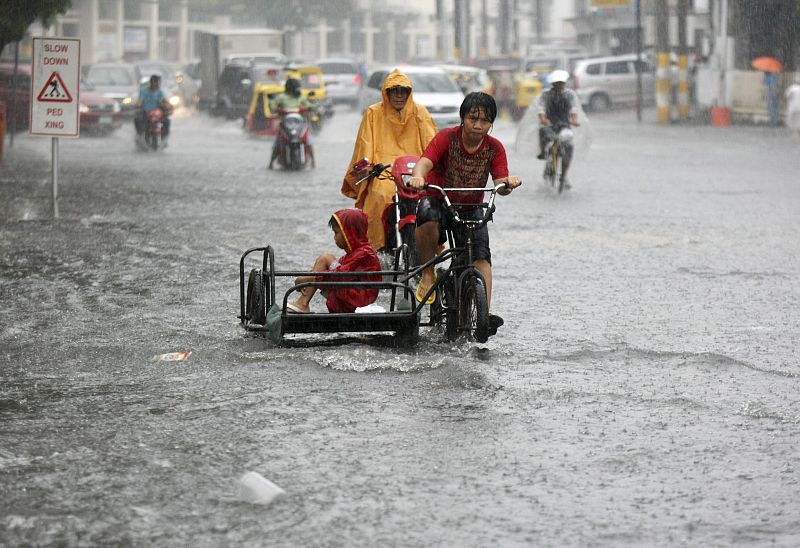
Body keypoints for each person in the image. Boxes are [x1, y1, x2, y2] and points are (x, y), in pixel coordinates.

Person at [407, 92, 522, 334]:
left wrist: (507, 184)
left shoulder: (494, 148)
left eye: (485, 121)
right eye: (473, 119)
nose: (478, 126)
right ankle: (428, 273)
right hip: (440, 200)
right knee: (427, 215)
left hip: (471, 207)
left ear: (491, 123)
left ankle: (484, 315)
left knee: (481, 257)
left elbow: (500, 183)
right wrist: (418, 176)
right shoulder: (446, 138)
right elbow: (424, 162)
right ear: (462, 118)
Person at [341, 68, 437, 253]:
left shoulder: (420, 113)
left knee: (431, 202)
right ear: (387, 92)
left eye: (403, 91)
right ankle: (377, 247)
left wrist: (432, 167)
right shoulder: (373, 113)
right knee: (379, 195)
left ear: (409, 93)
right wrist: (367, 166)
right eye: (395, 91)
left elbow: (431, 145)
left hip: (416, 172)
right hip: (384, 172)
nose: (399, 96)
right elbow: (365, 145)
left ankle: (428, 248)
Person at [285, 208, 382, 314]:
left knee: (326, 258)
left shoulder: (364, 253)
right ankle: (302, 303)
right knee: (325, 259)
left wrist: (309, 279)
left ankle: (303, 303)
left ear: (349, 233)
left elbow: (340, 275)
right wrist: (310, 278)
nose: (334, 237)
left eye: (336, 232)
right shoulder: (356, 253)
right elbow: (338, 272)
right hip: (349, 292)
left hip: (357, 299)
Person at [535, 69, 580, 188]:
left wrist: (574, 120)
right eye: (557, 83)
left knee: (568, 148)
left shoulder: (569, 95)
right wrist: (543, 119)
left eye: (561, 83)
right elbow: (541, 108)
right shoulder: (546, 94)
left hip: (564, 125)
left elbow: (573, 109)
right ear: (552, 84)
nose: (559, 85)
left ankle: (563, 176)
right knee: (542, 132)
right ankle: (543, 152)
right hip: (549, 124)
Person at [268, 77, 314, 169]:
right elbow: (273, 106)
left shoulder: (301, 97)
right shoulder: (281, 97)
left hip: (300, 123)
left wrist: (309, 107)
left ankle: (313, 162)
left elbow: (309, 105)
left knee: (308, 141)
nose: (298, 90)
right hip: (285, 124)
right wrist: (275, 108)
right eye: (296, 87)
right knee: (277, 142)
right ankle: (271, 163)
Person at [135, 74, 171, 143]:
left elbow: (164, 101)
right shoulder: (144, 91)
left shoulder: (160, 92)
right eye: (156, 82)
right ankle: (139, 137)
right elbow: (140, 101)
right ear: (152, 82)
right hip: (146, 113)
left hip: (157, 113)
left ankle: (164, 139)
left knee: (167, 121)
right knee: (138, 120)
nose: (157, 85)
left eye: (158, 83)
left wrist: (170, 106)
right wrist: (138, 106)